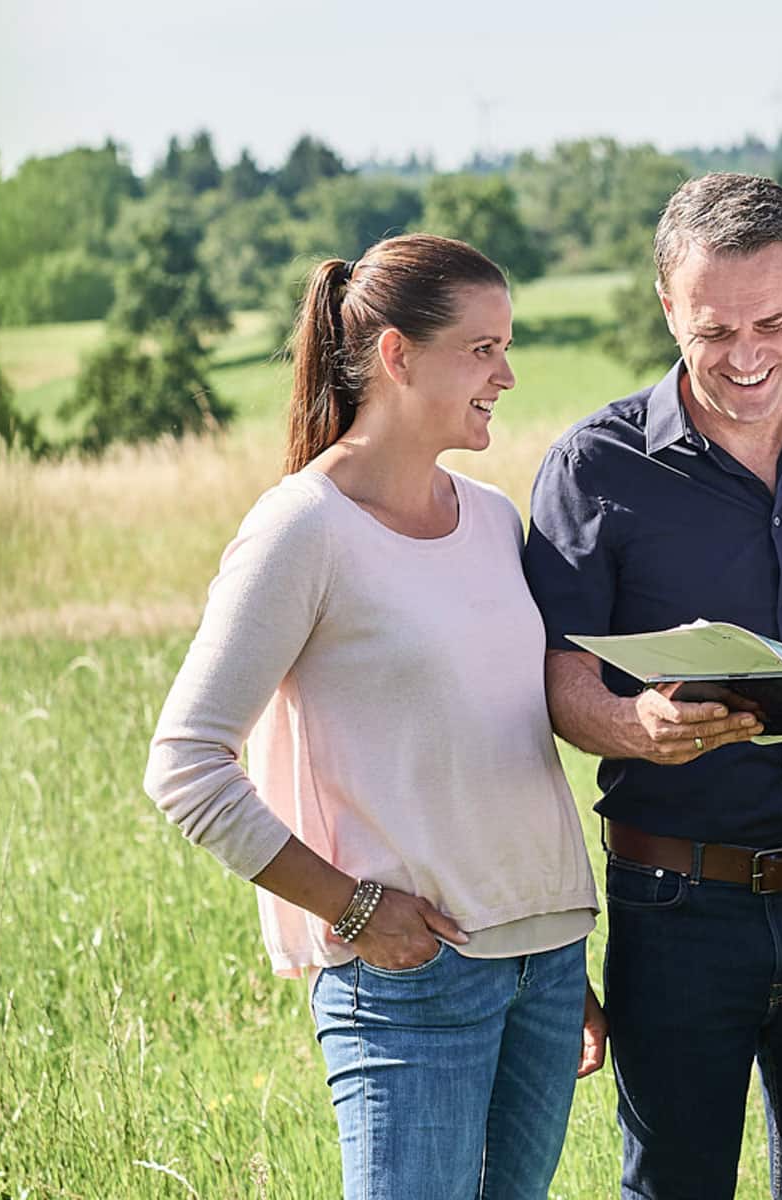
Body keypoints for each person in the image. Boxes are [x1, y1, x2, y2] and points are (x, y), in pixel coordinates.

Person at [143, 234, 604, 1200]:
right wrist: (352, 909)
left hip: (547, 965)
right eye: (482, 349)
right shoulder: (303, 529)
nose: (506, 375)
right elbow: (186, 764)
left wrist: (560, 952)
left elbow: (499, 738)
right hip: (411, 979)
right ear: (398, 355)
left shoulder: (492, 519)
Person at [522, 173, 782, 1199]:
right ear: (667, 306)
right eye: (714, 331)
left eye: (773, 323)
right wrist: (631, 723)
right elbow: (559, 676)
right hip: (677, 906)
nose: (747, 357)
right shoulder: (592, 467)